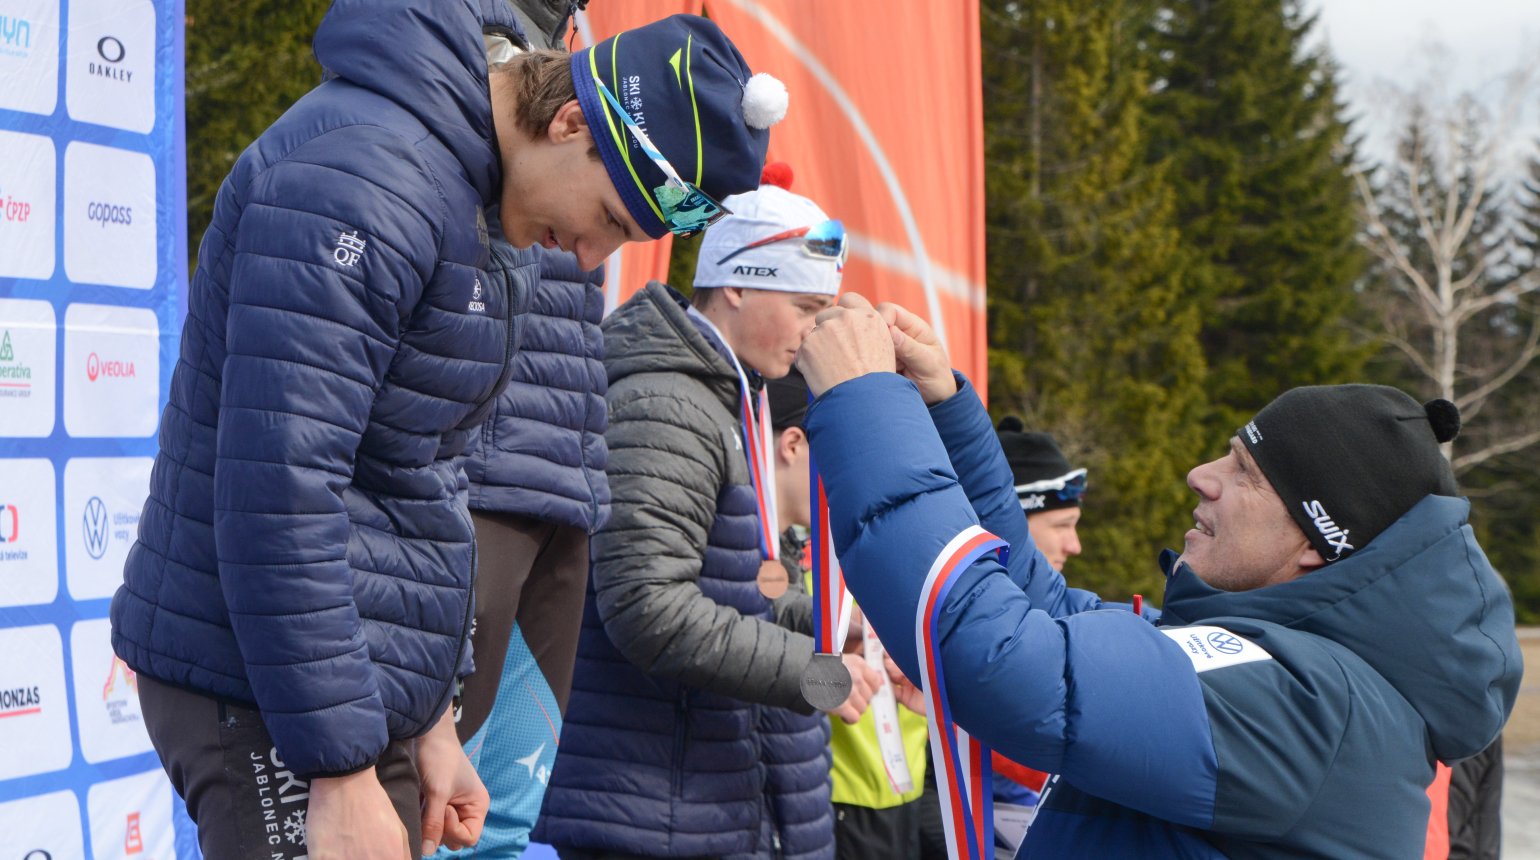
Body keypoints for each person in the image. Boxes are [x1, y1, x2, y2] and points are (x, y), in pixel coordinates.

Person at [110, 3, 781, 856]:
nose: (588, 257)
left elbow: (424, 472)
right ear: (570, 119)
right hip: (257, 685)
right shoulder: (363, 177)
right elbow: (281, 488)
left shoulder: (467, 191)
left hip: (339, 690)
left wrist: (428, 718)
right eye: (611, 218)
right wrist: (342, 769)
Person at [791, 295, 1521, 860]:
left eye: (1245, 473)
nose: (1200, 476)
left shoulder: (1309, 707)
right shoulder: (1283, 665)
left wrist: (865, 404)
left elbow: (1011, 666)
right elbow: (1045, 618)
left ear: (1312, 541)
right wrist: (945, 409)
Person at [534, 180, 882, 860]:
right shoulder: (671, 400)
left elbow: (736, 592)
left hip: (690, 805)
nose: (817, 330)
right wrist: (814, 673)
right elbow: (648, 607)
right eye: (806, 306)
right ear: (738, 286)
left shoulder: (728, 397)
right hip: (646, 809)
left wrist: (838, 623)